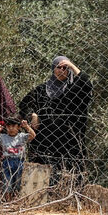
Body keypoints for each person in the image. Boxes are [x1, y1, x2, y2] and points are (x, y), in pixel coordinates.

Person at [19, 56, 93, 188]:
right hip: (45, 142)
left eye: (65, 68)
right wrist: (32, 115)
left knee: (71, 173)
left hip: (69, 141)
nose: (62, 70)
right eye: (59, 67)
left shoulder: (74, 89)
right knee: (43, 176)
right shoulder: (42, 90)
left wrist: (73, 66)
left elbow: (87, 85)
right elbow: (24, 105)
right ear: (53, 69)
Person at [0, 116, 36, 201]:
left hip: (19, 161)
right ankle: (8, 201)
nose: (11, 128)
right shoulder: (3, 137)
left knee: (19, 183)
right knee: (7, 183)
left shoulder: (21, 136)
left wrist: (27, 126)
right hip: (7, 162)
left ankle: (17, 200)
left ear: (19, 127)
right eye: (8, 126)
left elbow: (33, 135)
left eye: (13, 126)